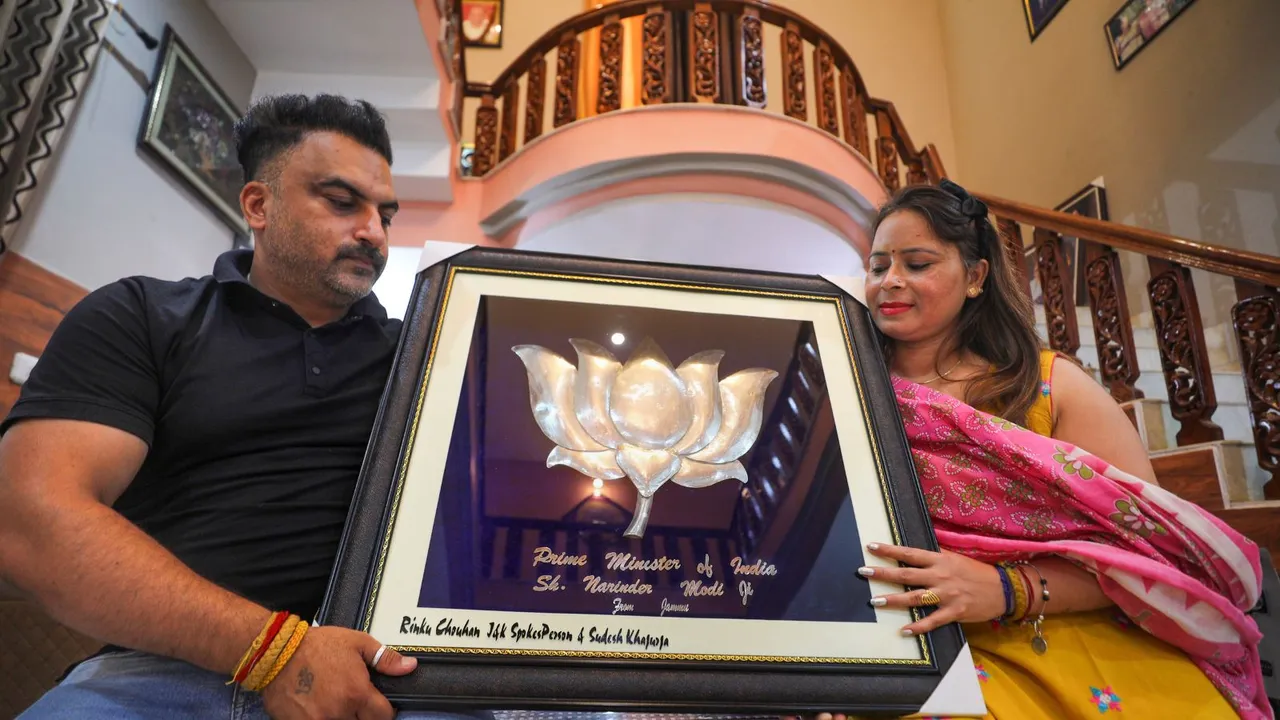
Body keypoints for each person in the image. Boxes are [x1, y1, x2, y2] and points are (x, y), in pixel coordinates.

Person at [0, 94, 484, 720]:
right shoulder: (140, 317)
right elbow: (29, 520)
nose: (373, 231)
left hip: (389, 681)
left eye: (384, 214)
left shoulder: (429, 359)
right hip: (157, 676)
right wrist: (274, 653)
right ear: (258, 205)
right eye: (342, 203)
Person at [840, 181, 1267, 718]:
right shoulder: (844, 387)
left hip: (1065, 635)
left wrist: (1008, 588)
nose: (890, 282)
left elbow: (1153, 557)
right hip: (904, 641)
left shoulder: (1049, 387)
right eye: (878, 266)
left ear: (975, 277)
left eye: (917, 263)